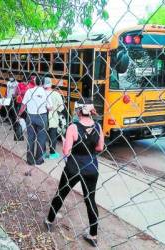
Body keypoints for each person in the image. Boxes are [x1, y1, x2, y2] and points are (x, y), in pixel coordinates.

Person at [44, 97, 104, 248]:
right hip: (91, 167)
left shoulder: (73, 127)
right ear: (90, 111)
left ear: (78, 110)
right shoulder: (98, 126)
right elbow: (99, 148)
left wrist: (66, 143)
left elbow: (66, 151)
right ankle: (93, 235)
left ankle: (50, 220)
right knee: (90, 199)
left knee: (61, 193)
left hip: (74, 166)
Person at [18, 76, 52, 172]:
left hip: (30, 117)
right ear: (43, 83)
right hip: (42, 117)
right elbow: (50, 108)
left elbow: (23, 105)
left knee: (30, 138)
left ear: (34, 82)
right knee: (41, 139)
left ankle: (30, 160)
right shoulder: (46, 93)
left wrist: (19, 114)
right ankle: (39, 160)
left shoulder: (29, 91)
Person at [43, 77, 64, 159]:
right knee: (53, 135)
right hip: (53, 118)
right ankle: (52, 153)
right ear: (51, 84)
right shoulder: (56, 94)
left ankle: (43, 153)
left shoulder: (41, 93)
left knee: (43, 135)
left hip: (43, 117)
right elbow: (61, 107)